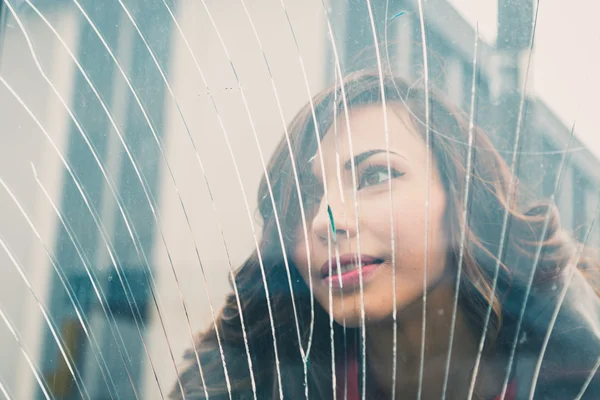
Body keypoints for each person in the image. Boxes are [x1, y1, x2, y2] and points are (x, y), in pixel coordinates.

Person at [170, 70, 600, 399]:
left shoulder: (583, 361)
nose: (325, 222)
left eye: (375, 175)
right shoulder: (245, 376)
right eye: (306, 197)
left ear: (460, 198)